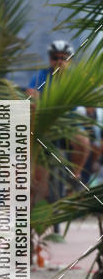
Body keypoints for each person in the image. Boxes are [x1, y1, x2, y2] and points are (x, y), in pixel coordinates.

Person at [27, 40, 90, 201]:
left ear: (70, 60)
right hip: (45, 127)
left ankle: (74, 176)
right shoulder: (41, 75)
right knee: (38, 173)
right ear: (50, 59)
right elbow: (31, 92)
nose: (59, 61)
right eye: (55, 58)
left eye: (64, 58)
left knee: (84, 141)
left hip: (70, 126)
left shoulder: (76, 78)